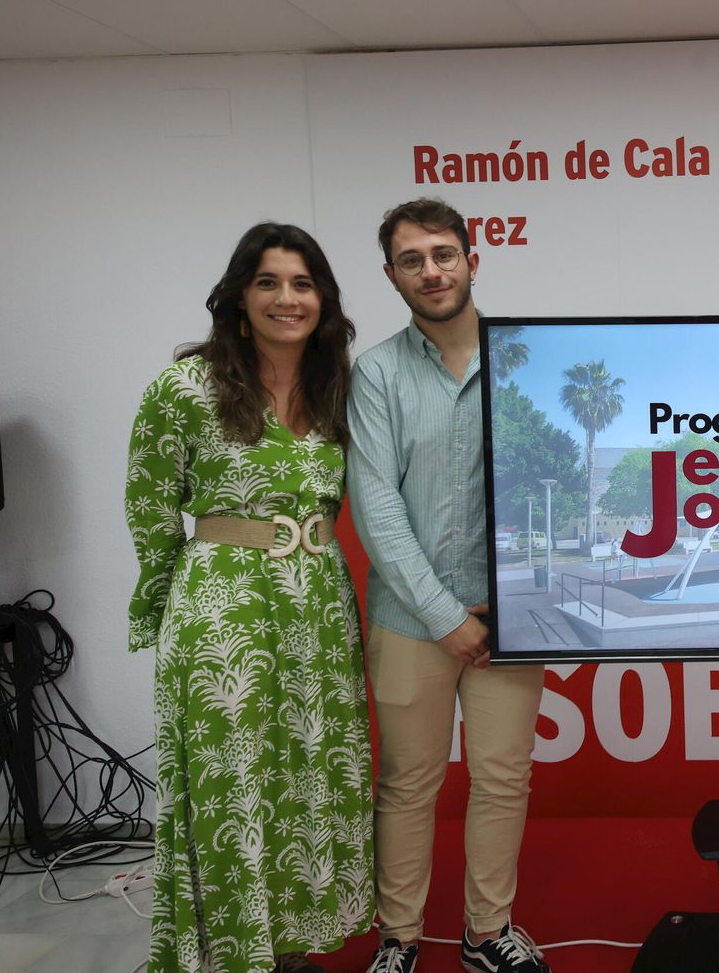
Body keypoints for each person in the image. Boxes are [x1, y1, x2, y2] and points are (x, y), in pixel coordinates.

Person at [125, 223, 373, 973]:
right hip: (223, 609)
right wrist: (171, 610)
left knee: (306, 779)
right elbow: (149, 505)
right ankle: (229, 952)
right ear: (238, 296)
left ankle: (288, 946)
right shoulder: (185, 386)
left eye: (302, 284)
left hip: (318, 609)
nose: (286, 298)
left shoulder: (339, 388)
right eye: (268, 282)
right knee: (233, 780)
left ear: (323, 300)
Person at [348, 198, 550, 973]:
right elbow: (377, 508)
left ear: (473, 258)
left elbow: (555, 484)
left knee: (503, 780)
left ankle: (485, 934)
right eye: (412, 259)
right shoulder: (376, 375)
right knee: (407, 784)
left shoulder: (531, 359)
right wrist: (444, 618)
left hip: (512, 616)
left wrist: (511, 605)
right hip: (410, 619)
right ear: (393, 275)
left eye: (443, 253)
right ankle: (398, 941)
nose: (430, 270)